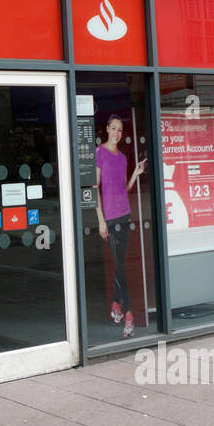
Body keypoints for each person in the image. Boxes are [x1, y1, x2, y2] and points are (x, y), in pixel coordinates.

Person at [95, 115, 146, 339]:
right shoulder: (100, 154)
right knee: (120, 267)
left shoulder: (123, 158)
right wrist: (101, 220)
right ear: (107, 129)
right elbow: (95, 188)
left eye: (119, 130)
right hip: (111, 219)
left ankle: (116, 303)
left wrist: (135, 173)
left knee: (121, 265)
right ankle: (128, 316)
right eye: (113, 128)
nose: (116, 133)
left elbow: (122, 190)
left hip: (125, 216)